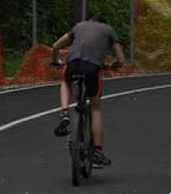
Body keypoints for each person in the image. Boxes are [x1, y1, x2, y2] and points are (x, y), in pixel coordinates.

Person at [50, 16, 126, 167]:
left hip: (73, 64)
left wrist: (55, 60)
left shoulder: (79, 26)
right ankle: (97, 150)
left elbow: (56, 46)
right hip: (93, 68)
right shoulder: (109, 30)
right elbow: (121, 59)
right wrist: (116, 64)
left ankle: (64, 112)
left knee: (66, 81)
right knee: (95, 109)